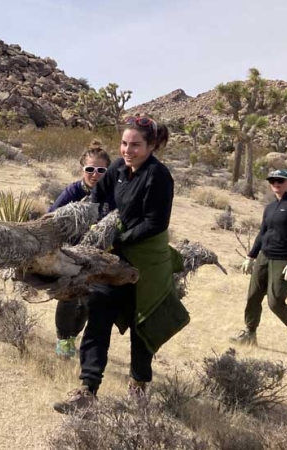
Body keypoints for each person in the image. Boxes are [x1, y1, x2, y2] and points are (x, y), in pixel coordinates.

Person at [53, 116, 189, 414]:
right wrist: (72, 224)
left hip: (144, 263)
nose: (128, 150)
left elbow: (155, 224)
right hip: (111, 259)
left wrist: (116, 237)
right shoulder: (115, 168)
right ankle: (87, 390)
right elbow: (95, 201)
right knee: (98, 314)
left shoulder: (158, 175)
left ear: (152, 146)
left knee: (143, 326)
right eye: (124, 143)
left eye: (136, 145)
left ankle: (138, 386)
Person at [230, 168, 287, 356]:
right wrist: (251, 256)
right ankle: (250, 333)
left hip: (283, 259)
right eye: (272, 181)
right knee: (253, 297)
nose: (276, 184)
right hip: (264, 256)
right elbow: (262, 233)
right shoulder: (270, 207)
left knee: (275, 301)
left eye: (280, 180)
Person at [48, 140, 113, 359]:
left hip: (100, 257)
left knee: (88, 301)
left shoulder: (112, 196)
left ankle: (72, 336)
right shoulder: (73, 191)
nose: (95, 174)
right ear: (82, 169)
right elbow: (51, 217)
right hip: (72, 255)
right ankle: (63, 340)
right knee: (68, 297)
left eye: (101, 170)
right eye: (90, 169)